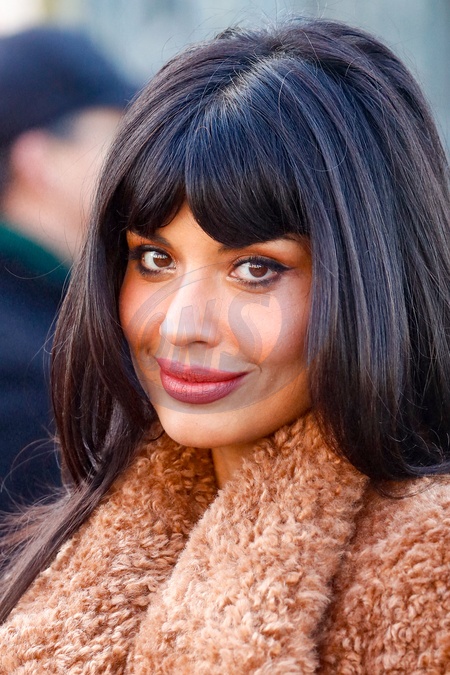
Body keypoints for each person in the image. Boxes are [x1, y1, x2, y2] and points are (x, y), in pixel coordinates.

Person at [0, 17, 449, 672]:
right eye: (155, 259)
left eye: (255, 268)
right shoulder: (64, 550)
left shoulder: (429, 580)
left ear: (372, 274)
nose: (182, 324)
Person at [0, 26, 136, 512]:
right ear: (40, 161)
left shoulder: (51, 307)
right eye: (118, 137)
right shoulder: (28, 370)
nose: (138, 160)